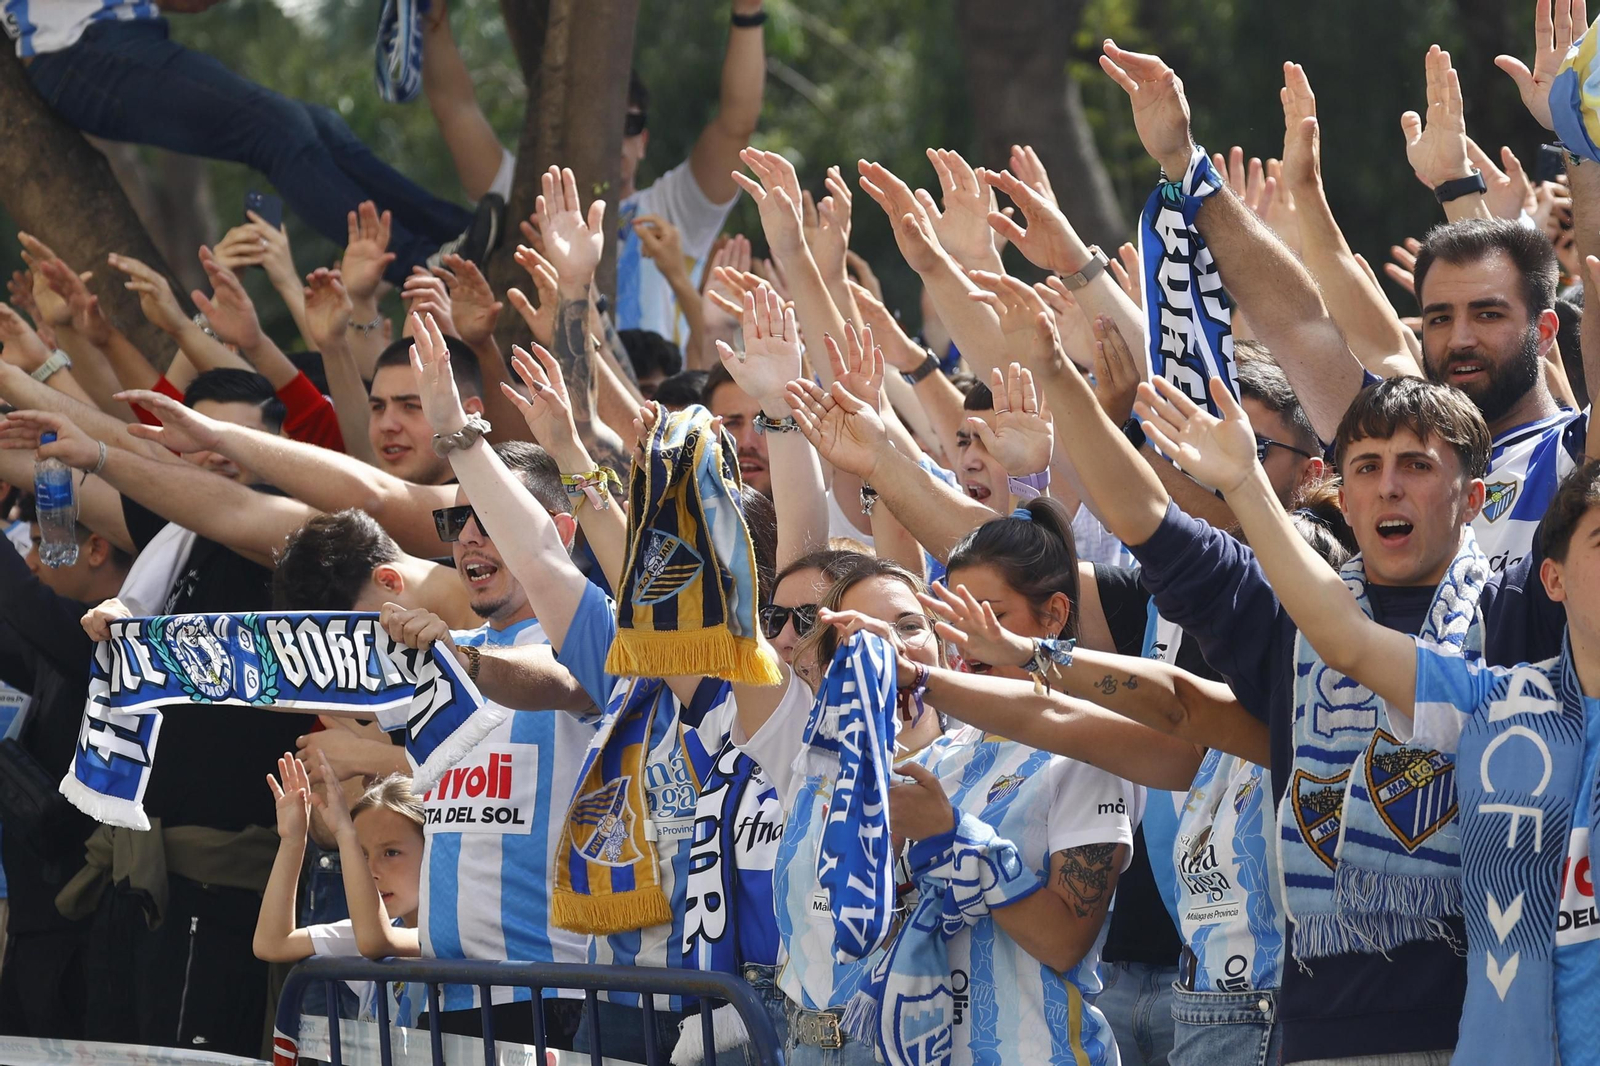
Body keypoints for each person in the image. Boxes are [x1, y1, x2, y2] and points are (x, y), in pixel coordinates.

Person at [1132, 367, 1600, 1064]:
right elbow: (1335, 641)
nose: (1390, 486)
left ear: (1473, 498)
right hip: (1362, 1032)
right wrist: (1244, 486)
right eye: (1369, 467)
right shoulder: (1462, 685)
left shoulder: (1518, 637)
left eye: (1416, 464)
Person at [5, 0, 503, 283]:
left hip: (126, 40)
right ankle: (422, 267)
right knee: (278, 131)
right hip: (77, 55)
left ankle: (453, 236)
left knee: (318, 125)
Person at [420, 0, 768, 340]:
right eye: (600, 126)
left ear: (643, 140)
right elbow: (455, 110)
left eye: (629, 125)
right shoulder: (530, 194)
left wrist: (748, 11)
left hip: (660, 395)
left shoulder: (674, 208)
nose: (614, 139)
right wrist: (429, 16)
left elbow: (737, 124)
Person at [0, 501, 130, 1041]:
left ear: (96, 547)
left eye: (41, 543)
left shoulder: (117, 642)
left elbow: (22, 603)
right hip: (37, 919)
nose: (32, 561)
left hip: (78, 924)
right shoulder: (61, 641)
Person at [254, 755, 425, 1028]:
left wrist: (346, 833)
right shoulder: (369, 931)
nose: (371, 871)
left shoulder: (450, 936)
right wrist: (293, 840)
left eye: (391, 852)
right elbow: (271, 942)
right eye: (361, 854)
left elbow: (374, 941)